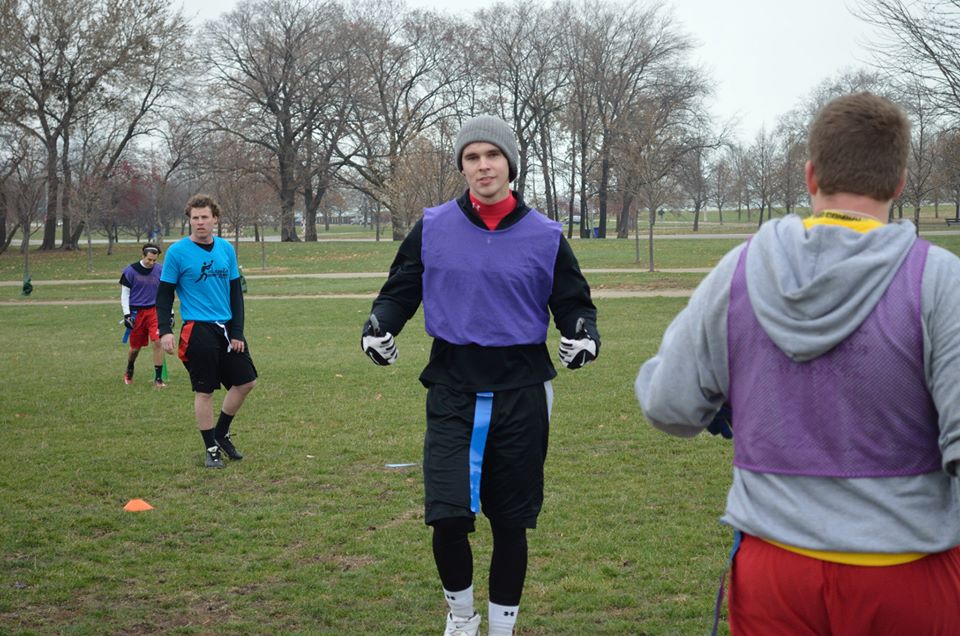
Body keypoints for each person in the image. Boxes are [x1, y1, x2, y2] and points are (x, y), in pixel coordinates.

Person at [636, 92, 960, 635]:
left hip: (774, 571)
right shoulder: (939, 280)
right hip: (905, 571)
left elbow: (669, 404)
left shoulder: (739, 271)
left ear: (811, 176)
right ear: (900, 182)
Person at [362, 114, 600, 636]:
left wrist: (584, 334)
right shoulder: (434, 226)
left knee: (511, 520)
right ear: (462, 167)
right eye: (472, 157)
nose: (483, 165)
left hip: (522, 389)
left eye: (492, 155)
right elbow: (400, 289)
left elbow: (574, 303)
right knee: (447, 514)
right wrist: (378, 326)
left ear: (510, 164)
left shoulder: (545, 235)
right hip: (452, 386)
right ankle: (462, 617)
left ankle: (501, 626)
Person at [156, 194, 257, 469]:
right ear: (189, 220)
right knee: (205, 391)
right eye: (195, 218)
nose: (200, 222)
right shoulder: (177, 252)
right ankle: (211, 448)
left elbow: (236, 294)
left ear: (215, 219)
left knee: (246, 382)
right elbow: (163, 295)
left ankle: (221, 433)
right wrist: (165, 330)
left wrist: (237, 331)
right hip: (197, 329)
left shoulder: (226, 249)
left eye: (205, 217)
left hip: (227, 327)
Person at [120, 242, 166, 388]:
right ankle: (129, 369)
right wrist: (127, 315)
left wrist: (169, 313)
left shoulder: (160, 270)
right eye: (149, 259)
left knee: (158, 342)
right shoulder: (130, 271)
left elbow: (165, 293)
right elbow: (125, 294)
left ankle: (158, 379)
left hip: (154, 311)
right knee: (135, 348)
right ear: (143, 255)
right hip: (136, 312)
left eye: (154, 260)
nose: (151, 263)